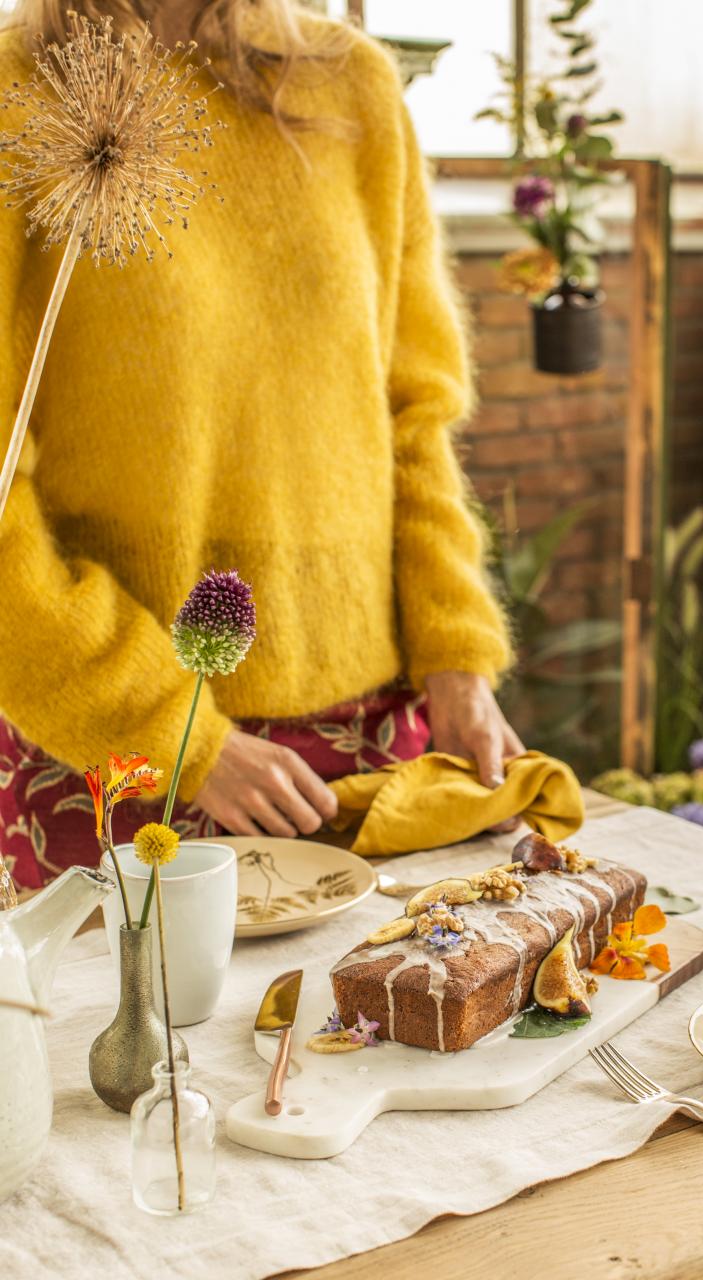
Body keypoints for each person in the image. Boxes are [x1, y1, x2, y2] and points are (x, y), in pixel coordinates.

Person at [0, 0, 522, 891]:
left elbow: (412, 412)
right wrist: (171, 725)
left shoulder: (351, 85)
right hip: (109, 756)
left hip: (364, 747)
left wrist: (455, 656)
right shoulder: (18, 91)